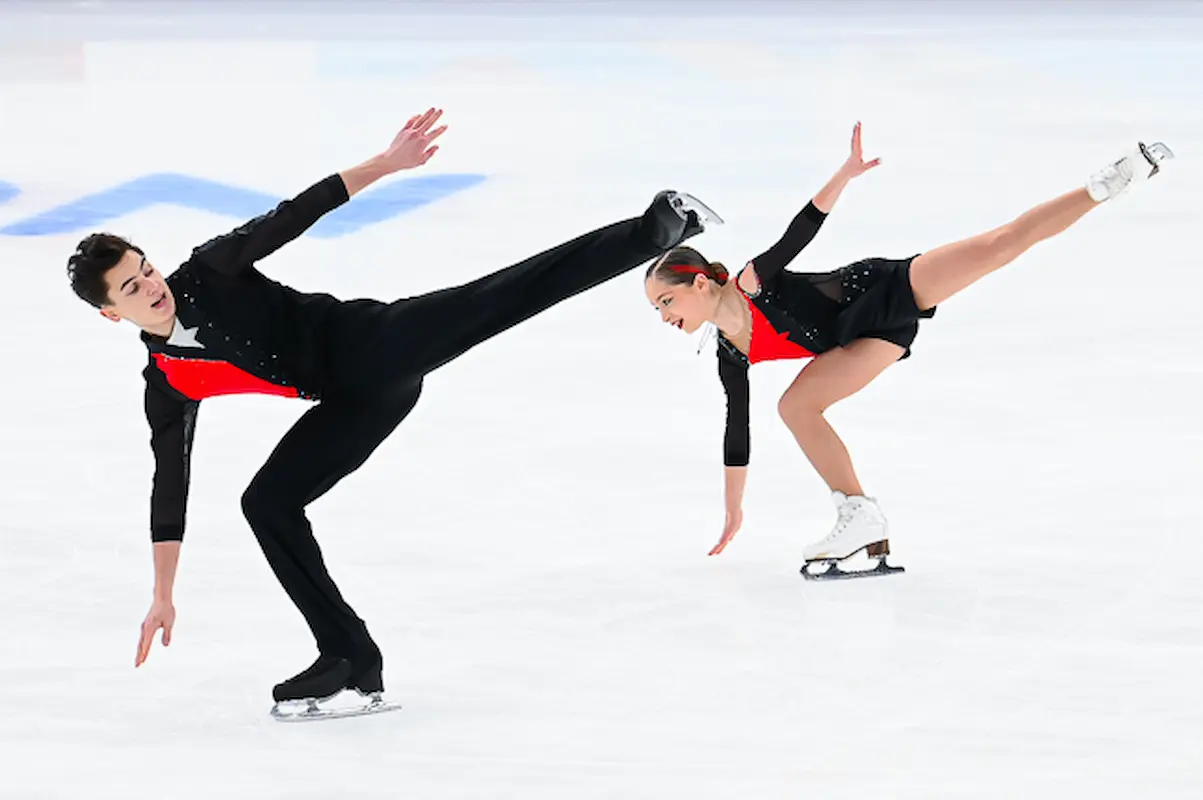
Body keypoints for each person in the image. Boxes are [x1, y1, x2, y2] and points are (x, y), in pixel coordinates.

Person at [67, 107, 722, 711]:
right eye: (130, 287)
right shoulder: (168, 382)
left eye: (145, 268)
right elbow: (169, 487)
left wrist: (387, 162)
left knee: (495, 299)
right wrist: (162, 594)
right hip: (352, 401)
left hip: (374, 342)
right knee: (266, 504)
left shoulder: (207, 271)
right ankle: (349, 656)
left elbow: (293, 215)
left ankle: (655, 230)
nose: (151, 285)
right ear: (109, 313)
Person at [642, 122, 1172, 579]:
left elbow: (798, 233)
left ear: (701, 284)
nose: (666, 316)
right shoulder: (730, 356)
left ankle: (1106, 185)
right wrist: (734, 511)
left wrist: (844, 175)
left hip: (881, 289)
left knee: (1001, 245)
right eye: (657, 309)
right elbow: (738, 430)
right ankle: (858, 513)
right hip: (867, 339)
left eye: (667, 299)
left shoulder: (751, 282)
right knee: (795, 407)